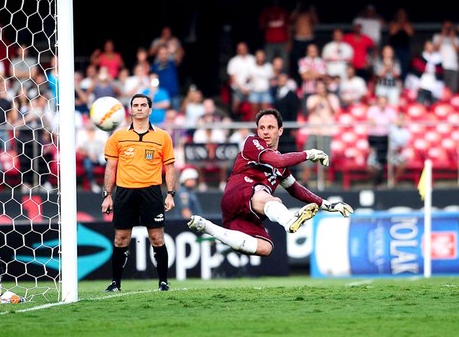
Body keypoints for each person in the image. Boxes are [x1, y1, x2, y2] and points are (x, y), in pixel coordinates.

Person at [187, 108, 353, 257]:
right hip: (237, 195)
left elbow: (296, 190)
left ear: (280, 131)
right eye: (262, 128)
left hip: (248, 213)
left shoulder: (281, 168)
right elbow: (279, 161)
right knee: (271, 198)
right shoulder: (252, 142)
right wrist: (308, 154)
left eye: (271, 127)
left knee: (265, 248)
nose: (265, 132)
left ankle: (207, 227)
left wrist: (328, 205)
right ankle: (289, 221)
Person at [102, 93, 176, 292]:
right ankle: (115, 283)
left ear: (150, 110)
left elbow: (169, 167)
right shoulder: (118, 136)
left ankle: (163, 282)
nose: (140, 108)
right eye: (136, 105)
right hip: (125, 192)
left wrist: (170, 193)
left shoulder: (162, 136)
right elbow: (111, 167)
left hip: (151, 192)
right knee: (121, 239)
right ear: (131, 109)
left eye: (144, 105)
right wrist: (107, 195)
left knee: (157, 238)